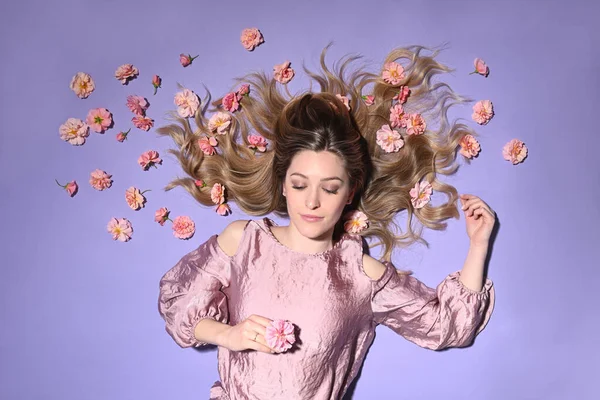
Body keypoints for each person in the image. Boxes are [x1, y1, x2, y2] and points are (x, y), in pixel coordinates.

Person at [157, 44, 496, 400]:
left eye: (330, 189)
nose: (313, 201)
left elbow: (445, 326)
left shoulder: (361, 273)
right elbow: (180, 306)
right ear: (284, 184)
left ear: (349, 193)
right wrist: (230, 335)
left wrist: (478, 244)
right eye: (300, 184)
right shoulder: (244, 240)